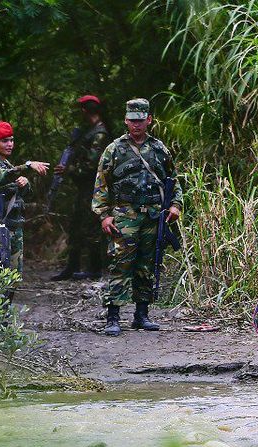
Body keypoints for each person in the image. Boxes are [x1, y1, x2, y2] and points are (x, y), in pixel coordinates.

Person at [92, 98, 183, 336]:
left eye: (140, 120)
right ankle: (113, 317)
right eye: (132, 121)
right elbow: (102, 184)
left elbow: (173, 179)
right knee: (120, 264)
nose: (136, 125)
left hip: (153, 215)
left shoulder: (159, 149)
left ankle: (141, 315)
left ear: (149, 120)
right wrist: (103, 215)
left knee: (147, 265)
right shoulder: (114, 149)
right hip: (124, 214)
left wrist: (175, 205)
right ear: (125, 120)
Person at [51, 95, 111, 281]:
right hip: (85, 188)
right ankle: (72, 267)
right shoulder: (90, 132)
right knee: (76, 225)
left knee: (91, 227)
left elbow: (91, 165)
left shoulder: (99, 134)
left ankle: (94, 269)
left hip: (94, 188)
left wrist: (68, 169)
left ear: (85, 110)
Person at [0, 121, 49, 273]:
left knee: (13, 276)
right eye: (5, 141)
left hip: (14, 225)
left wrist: (25, 183)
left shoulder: (7, 164)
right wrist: (28, 166)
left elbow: (26, 194)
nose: (10, 144)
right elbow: (1, 176)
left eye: (11, 140)